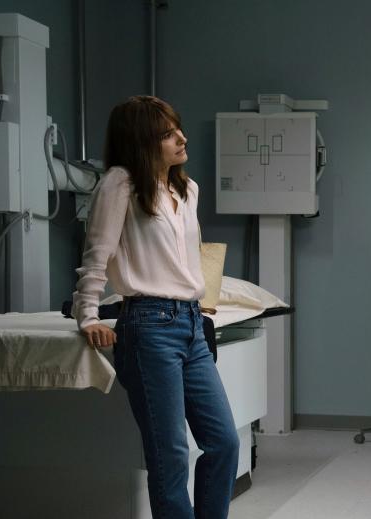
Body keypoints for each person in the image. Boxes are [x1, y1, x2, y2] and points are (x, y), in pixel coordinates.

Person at [73, 95, 239, 518]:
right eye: (167, 134)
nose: (181, 138)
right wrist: (87, 314)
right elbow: (97, 254)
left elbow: (186, 258)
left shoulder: (187, 188)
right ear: (142, 142)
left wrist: (202, 300)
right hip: (148, 327)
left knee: (224, 441)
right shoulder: (119, 184)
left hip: (190, 323)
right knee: (170, 454)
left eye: (177, 128)